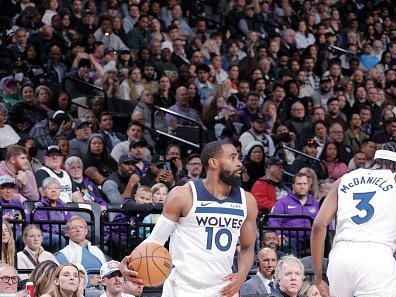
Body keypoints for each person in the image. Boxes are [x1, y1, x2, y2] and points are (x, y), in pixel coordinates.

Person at [120, 140, 258, 297]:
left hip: (223, 289)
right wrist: (130, 262)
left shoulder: (247, 201)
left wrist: (242, 275)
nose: (239, 163)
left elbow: (247, 248)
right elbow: (155, 240)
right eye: (232, 158)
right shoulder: (183, 195)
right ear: (213, 162)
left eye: (238, 158)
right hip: (182, 288)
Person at [311, 141, 396, 297]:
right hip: (376, 256)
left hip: (341, 257)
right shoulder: (394, 180)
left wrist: (318, 277)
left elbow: (318, 225)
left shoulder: (344, 179)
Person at [55, 216, 107, 288]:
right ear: (67, 233)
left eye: (81, 227)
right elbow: (63, 280)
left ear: (86, 231)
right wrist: (89, 282)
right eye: (73, 228)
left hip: (103, 287)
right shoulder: (62, 255)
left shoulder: (96, 250)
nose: (78, 230)